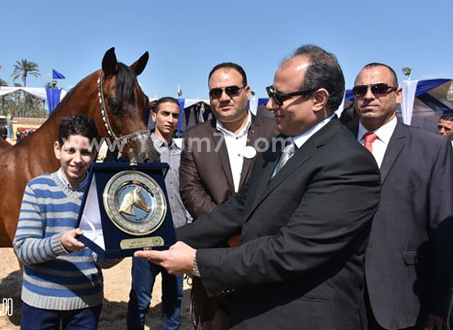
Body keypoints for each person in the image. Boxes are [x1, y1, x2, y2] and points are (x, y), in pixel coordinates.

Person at [137, 45, 381, 329]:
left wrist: (196, 261)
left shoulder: (348, 163)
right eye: (271, 93)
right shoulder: (277, 148)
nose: (268, 105)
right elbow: (238, 209)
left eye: (280, 96)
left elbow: (288, 251)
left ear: (319, 99)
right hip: (253, 310)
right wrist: (162, 238)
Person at [352, 63, 453, 330]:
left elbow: (443, 231)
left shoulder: (432, 149)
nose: (369, 96)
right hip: (340, 299)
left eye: (379, 89)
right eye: (361, 90)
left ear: (397, 94)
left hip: (404, 299)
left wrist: (438, 303)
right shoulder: (335, 144)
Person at [179, 62, 276, 329]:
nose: (223, 97)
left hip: (262, 254)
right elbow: (190, 191)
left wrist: (247, 233)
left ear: (247, 91)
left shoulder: (275, 133)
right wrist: (226, 232)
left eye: (231, 90)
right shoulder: (194, 137)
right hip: (213, 257)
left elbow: (282, 189)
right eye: (215, 92)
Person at [13, 115, 121, 330]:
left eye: (85, 152)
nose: (77, 159)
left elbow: (100, 259)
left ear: (95, 153)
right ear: (57, 149)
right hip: (39, 302)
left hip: (86, 303)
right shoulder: (37, 189)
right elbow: (23, 249)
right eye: (70, 150)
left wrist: (118, 248)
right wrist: (60, 243)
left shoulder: (104, 193)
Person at [127, 97, 192, 330]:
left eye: (175, 115)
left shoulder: (185, 151)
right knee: (141, 298)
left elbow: (188, 191)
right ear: (154, 116)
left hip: (178, 236)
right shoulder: (139, 152)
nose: (171, 119)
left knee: (174, 298)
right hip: (147, 238)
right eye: (165, 114)